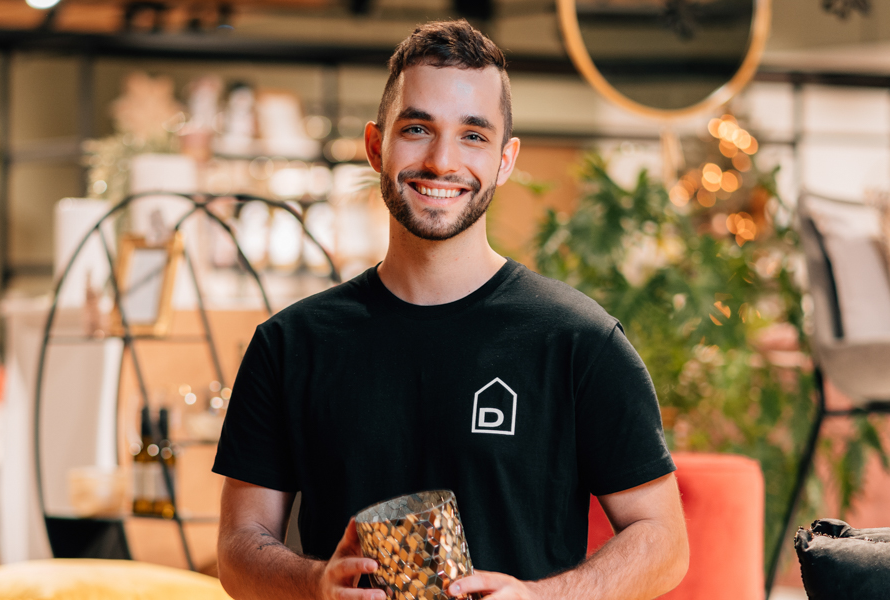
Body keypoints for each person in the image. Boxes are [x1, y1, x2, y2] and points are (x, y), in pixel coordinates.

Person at [213, 19, 689, 600]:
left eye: (473, 135)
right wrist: (315, 584)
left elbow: (664, 540)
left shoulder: (580, 342)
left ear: (505, 160)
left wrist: (544, 598)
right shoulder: (290, 345)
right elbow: (238, 547)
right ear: (375, 147)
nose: (442, 161)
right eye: (417, 129)